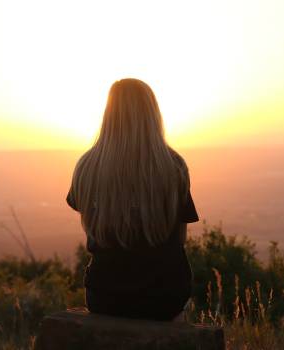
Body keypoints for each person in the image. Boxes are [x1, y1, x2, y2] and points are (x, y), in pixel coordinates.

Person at [66, 78, 199, 322]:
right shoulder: (174, 166)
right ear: (152, 114)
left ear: (108, 114)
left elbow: (91, 227)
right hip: (164, 296)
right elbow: (179, 239)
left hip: (104, 296)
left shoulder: (86, 167)